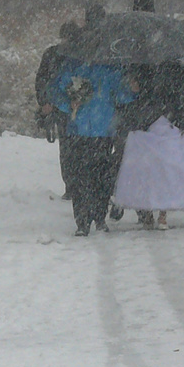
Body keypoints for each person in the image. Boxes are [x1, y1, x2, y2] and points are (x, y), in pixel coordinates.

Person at [50, 56, 139, 235]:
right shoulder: (72, 66)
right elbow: (54, 91)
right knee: (80, 177)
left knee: (101, 177)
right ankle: (82, 222)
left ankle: (99, 218)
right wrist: (69, 105)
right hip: (78, 129)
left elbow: (122, 96)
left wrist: (132, 89)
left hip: (104, 130)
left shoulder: (111, 69)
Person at [36, 21, 81, 199]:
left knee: (68, 148)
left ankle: (72, 185)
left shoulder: (53, 54)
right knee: (71, 147)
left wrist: (44, 101)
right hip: (67, 107)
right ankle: (73, 185)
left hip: (62, 106)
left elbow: (41, 79)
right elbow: (42, 79)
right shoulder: (63, 55)